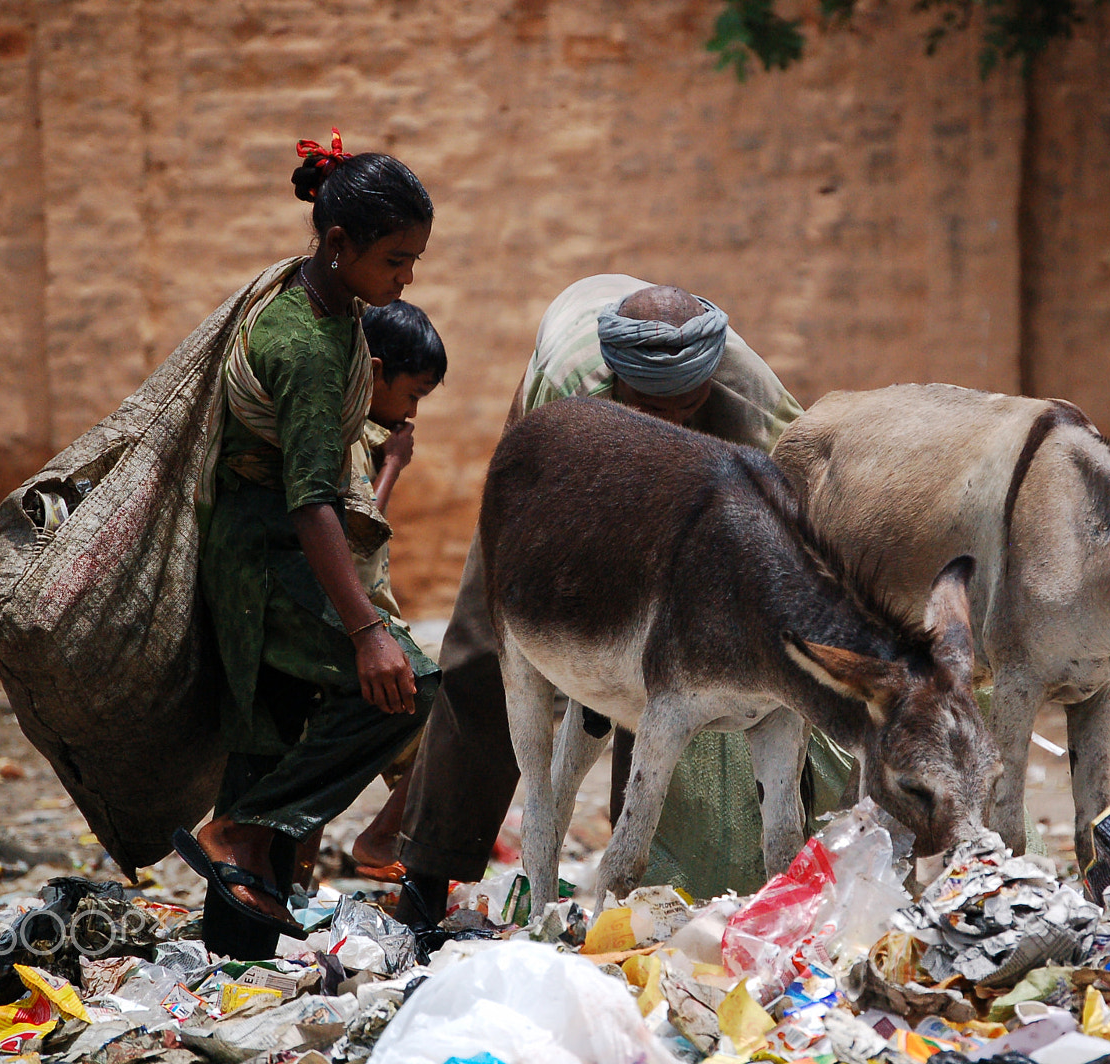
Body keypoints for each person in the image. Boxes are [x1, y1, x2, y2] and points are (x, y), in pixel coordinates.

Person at [395, 274, 852, 925]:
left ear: (706, 383)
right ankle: (430, 866)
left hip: (699, 496)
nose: (666, 427)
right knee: (483, 648)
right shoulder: (572, 391)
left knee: (673, 670)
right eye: (647, 410)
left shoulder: (752, 406)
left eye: (680, 408)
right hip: (572, 481)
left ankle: (633, 891)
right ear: (616, 382)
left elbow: (801, 513)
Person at [173, 130, 441, 958]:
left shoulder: (324, 309)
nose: (406, 280)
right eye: (395, 260)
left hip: (264, 554)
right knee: (409, 684)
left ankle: (237, 948)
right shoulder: (308, 345)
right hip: (265, 559)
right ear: (336, 244)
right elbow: (312, 501)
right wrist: (367, 632)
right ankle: (241, 833)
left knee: (271, 732)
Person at [345, 300, 447, 879]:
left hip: (372, 622)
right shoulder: (355, 437)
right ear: (375, 371)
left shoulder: (361, 430)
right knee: (447, 729)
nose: (411, 411)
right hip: (365, 626)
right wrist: (394, 466)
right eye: (410, 395)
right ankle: (382, 839)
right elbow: (358, 531)